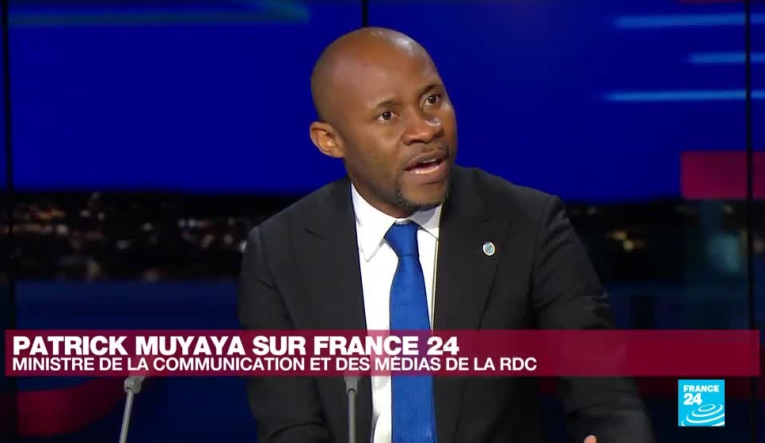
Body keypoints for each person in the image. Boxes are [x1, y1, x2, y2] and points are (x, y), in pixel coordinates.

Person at [238, 27, 654, 443]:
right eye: (388, 115)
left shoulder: (528, 223)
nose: (426, 129)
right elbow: (290, 427)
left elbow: (607, 401)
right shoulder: (279, 252)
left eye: (432, 100)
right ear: (330, 141)